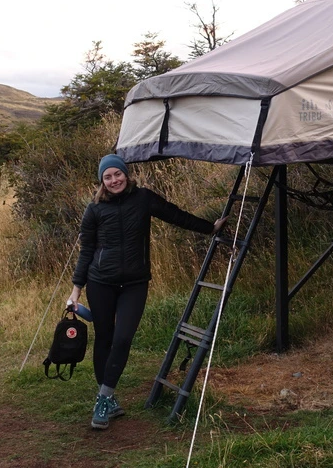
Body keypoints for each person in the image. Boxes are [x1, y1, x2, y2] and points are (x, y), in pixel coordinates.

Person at [67, 154, 227, 430]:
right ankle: (107, 399)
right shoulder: (94, 210)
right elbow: (86, 251)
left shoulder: (143, 198)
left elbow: (175, 215)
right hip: (100, 282)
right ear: (102, 181)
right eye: (108, 177)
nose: (114, 180)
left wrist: (209, 228)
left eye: (118, 174)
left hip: (135, 283)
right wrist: (76, 291)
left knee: (123, 338)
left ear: (126, 174)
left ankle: (103, 398)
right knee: (104, 338)